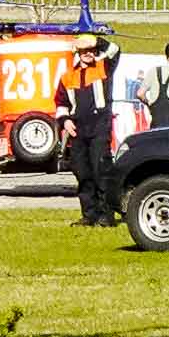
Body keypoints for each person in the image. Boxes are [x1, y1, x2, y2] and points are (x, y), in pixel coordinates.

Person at [54, 34, 117, 226]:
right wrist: (64, 120)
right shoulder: (67, 76)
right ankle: (89, 215)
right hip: (78, 130)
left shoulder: (103, 67)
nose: (89, 53)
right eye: (84, 50)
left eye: (91, 50)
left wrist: (95, 41)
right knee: (82, 173)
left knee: (101, 171)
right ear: (78, 53)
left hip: (99, 127)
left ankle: (106, 215)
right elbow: (61, 103)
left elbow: (115, 49)